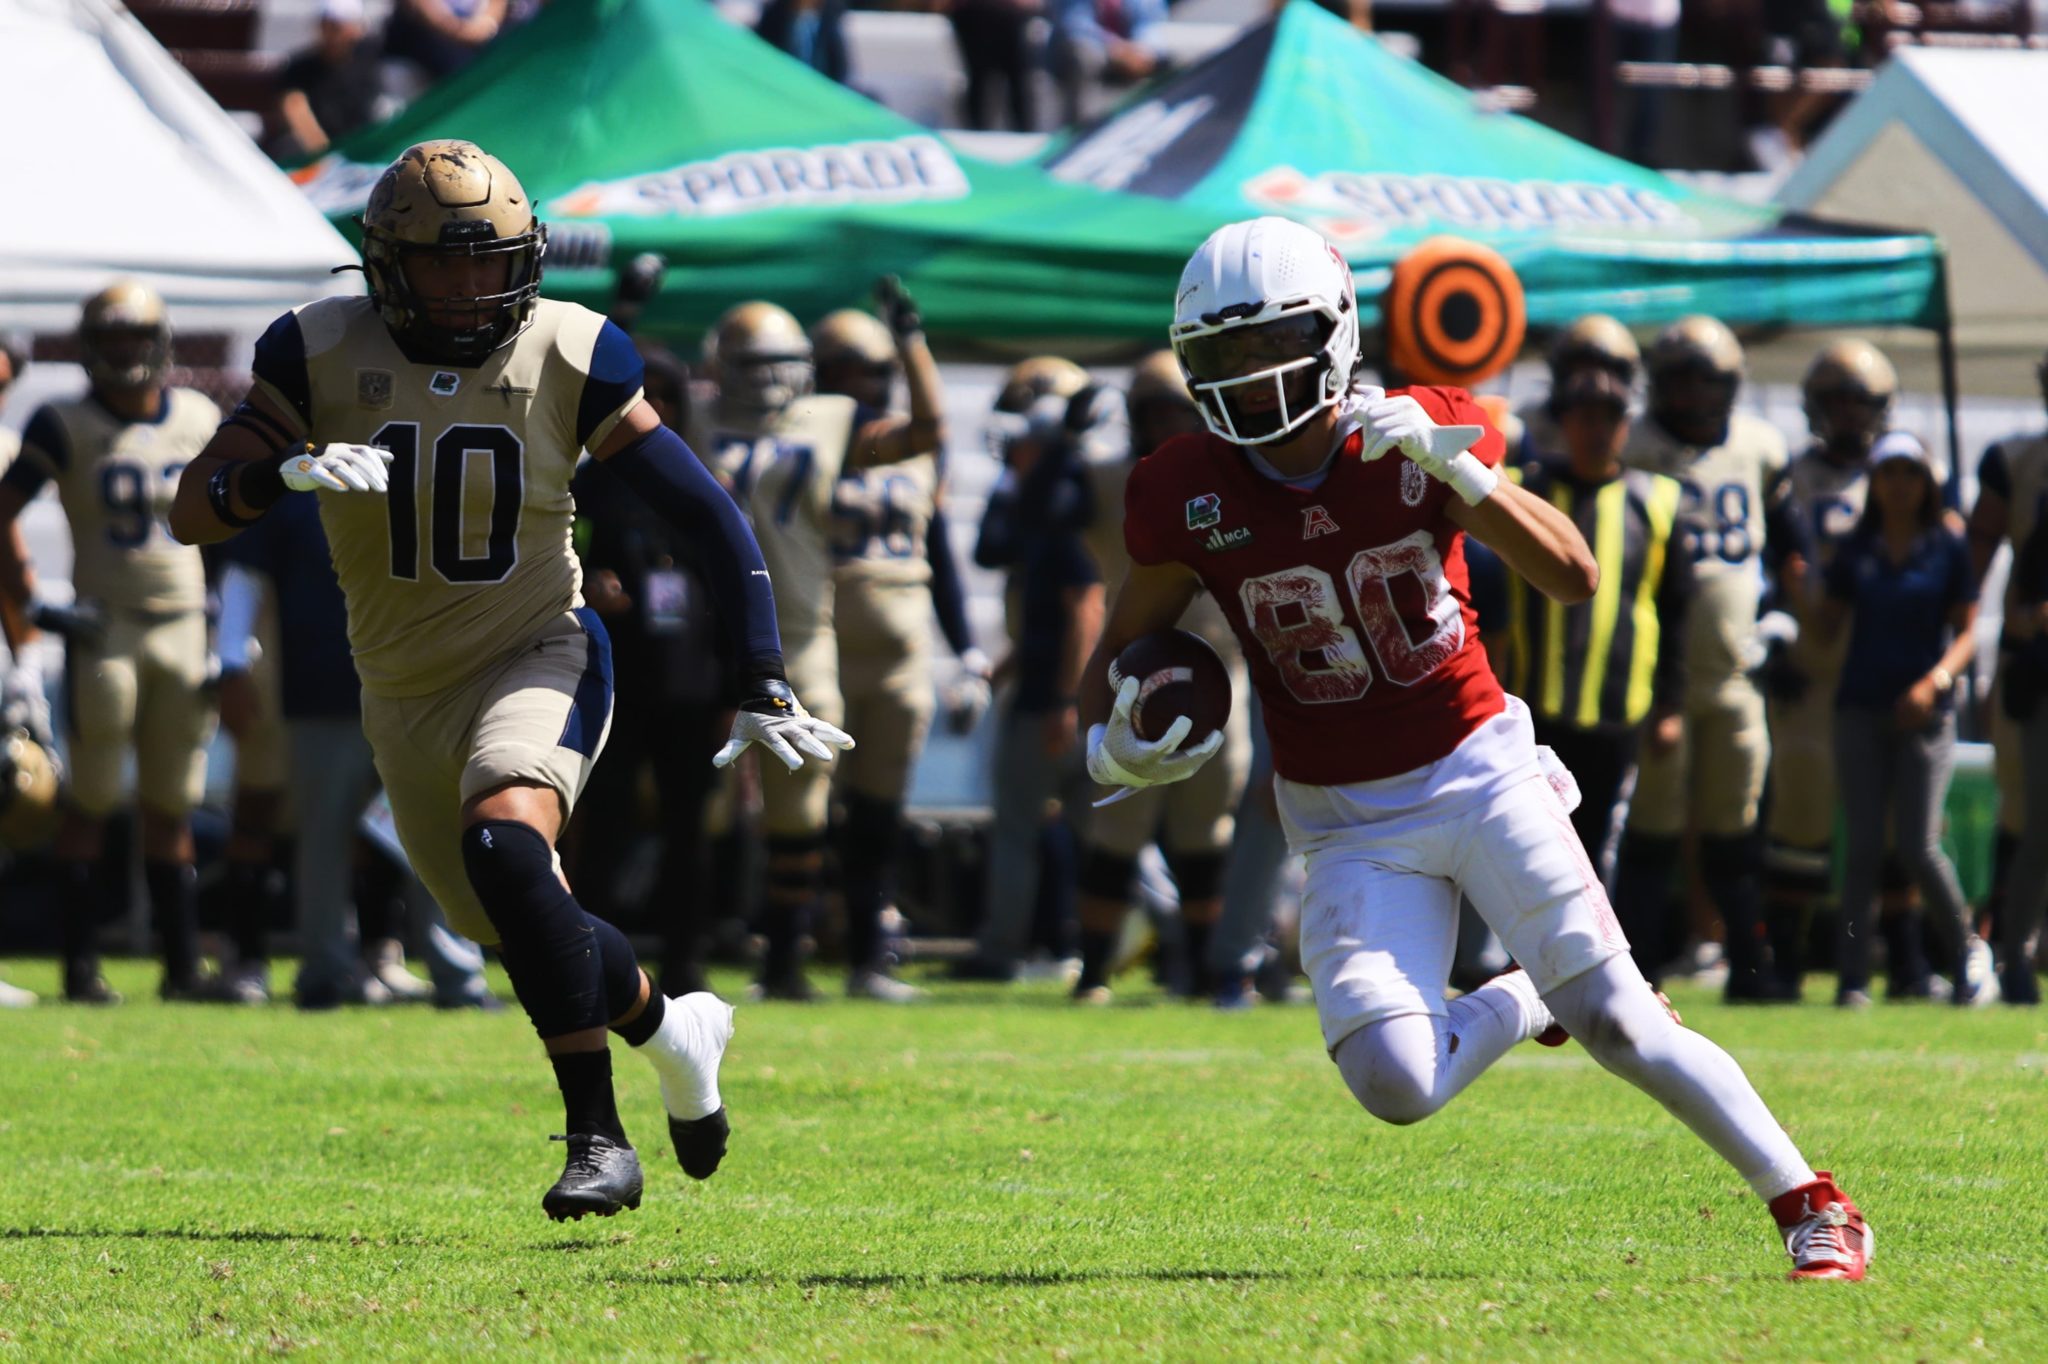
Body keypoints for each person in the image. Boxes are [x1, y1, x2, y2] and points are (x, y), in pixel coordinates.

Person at [1082, 215, 1869, 1281]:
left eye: (1274, 345)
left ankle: (1809, 1202)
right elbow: (1129, 642)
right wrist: (1112, 734)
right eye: (1226, 356)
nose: (1257, 379)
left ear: (1335, 332)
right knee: (1395, 1081)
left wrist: (1468, 481)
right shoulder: (1187, 486)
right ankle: (1519, 996)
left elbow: (1574, 575)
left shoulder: (1420, 430)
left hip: (1476, 766)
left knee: (1621, 1020)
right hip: (1344, 818)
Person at [169, 140, 851, 1220]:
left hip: (540, 646)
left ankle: (597, 1136)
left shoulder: (573, 350)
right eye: (442, 265)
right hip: (397, 686)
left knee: (506, 844)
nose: (469, 286)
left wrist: (761, 670)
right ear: (386, 263)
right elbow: (191, 507)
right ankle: (675, 1029)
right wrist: (275, 473)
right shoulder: (315, 352)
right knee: (522, 918)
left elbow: (708, 514)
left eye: (488, 260)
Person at [692, 300, 933, 1000]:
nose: (768, 381)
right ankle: (691, 953)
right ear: (720, 368)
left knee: (801, 811)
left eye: (780, 365)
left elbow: (925, 432)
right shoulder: (694, 416)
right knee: (692, 809)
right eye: (752, 365)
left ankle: (784, 963)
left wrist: (913, 345)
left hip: (800, 640)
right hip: (706, 645)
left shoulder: (827, 418)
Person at [0, 281, 223, 1005]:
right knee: (90, 797)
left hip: (186, 621)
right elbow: (1, 507)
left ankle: (182, 964)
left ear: (159, 341)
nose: (126, 350)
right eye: (113, 337)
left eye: (137, 336)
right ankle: (79, 964)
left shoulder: (197, 414)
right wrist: (35, 603)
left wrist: (231, 617)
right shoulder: (63, 420)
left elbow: (227, 516)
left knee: (173, 799)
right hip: (107, 626)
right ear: (92, 346)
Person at [217, 489, 490, 1010]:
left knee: (433, 832)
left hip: (416, 687)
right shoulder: (294, 479)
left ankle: (458, 975)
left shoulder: (421, 457)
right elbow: (245, 575)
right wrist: (230, 663)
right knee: (323, 839)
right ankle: (324, 971)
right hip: (325, 688)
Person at [1614, 316, 1798, 999]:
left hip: (1734, 676)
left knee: (1736, 832)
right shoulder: (1633, 447)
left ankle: (1751, 971)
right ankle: (1640, 967)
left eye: (1707, 381)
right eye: (1681, 381)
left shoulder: (1758, 448)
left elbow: (1789, 548)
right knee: (1651, 831)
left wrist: (1783, 626)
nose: (1693, 396)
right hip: (1658, 679)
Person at [1071, 352, 1255, 1003]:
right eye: (1153, 412)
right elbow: (1039, 521)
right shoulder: (1109, 477)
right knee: (1117, 829)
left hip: (1218, 677)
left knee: (1206, 834)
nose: (1164, 425)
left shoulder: (1233, 471)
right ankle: (1094, 968)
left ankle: (1204, 969)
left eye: (1176, 411)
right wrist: (1064, 437)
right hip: (1134, 676)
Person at [816, 292, 982, 1001]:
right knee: (805, 813)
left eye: (874, 370)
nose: (864, 384)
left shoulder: (909, 452)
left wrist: (968, 651)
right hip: (821, 646)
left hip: (898, 655)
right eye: (848, 371)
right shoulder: (805, 441)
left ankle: (865, 955)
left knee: (879, 815)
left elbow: (940, 554)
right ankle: (787, 950)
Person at [1494, 367, 1692, 926]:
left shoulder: (1657, 500)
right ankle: (1527, 964)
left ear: (1625, 426)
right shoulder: (1529, 489)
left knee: (1600, 844)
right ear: (1564, 424)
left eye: (1609, 418)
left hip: (1617, 706)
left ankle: (1597, 964)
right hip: (1538, 707)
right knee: (1533, 844)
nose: (1597, 430)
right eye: (1584, 417)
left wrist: (1670, 705)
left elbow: (1676, 610)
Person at [566, 348, 730, 997]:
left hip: (692, 683)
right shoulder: (593, 482)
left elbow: (732, 586)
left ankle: (687, 960)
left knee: (690, 830)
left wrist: (737, 688)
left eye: (667, 395)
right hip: (617, 681)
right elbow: (559, 557)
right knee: (604, 824)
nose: (655, 408)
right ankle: (601, 959)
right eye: (644, 393)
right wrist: (587, 585)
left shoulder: (700, 482)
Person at [1816, 432, 1994, 1007]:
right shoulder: (1856, 547)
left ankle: (1967, 955)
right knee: (1863, 846)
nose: (1898, 485)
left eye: (1908, 473)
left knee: (1919, 847)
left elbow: (1967, 632)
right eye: (1888, 472)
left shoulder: (1947, 546)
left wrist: (1935, 682)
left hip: (1926, 714)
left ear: (1926, 482)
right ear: (1875, 481)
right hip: (1860, 708)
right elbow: (1824, 627)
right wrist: (1802, 583)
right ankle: (1851, 978)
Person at [1763, 340, 1902, 994]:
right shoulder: (1789, 479)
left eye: (1860, 402)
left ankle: (1905, 960)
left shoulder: (1905, 476)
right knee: (1801, 816)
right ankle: (1787, 959)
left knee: (1898, 823)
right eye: (1837, 402)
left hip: (1885, 669)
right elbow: (1761, 572)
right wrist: (1775, 638)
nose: (1849, 416)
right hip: (1815, 667)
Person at [1964, 346, 2048, 971]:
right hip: (2036, 671)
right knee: (2028, 814)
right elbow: (1995, 586)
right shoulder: (2022, 464)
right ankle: (2009, 949)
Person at [269, 0, 386, 163]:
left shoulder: (372, 60)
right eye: (328, 25)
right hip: (317, 155)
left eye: (339, 26)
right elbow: (294, 108)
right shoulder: (298, 69)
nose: (333, 33)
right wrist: (326, 156)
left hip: (362, 150)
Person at [1048, 0, 1168, 126]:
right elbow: (1074, 25)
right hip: (1096, 47)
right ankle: (1089, 127)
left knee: (1166, 54)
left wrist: (1142, 50)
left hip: (1134, 48)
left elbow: (1148, 21)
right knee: (1084, 54)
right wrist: (1116, 48)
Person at [947, 0, 1042, 132]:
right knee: (979, 78)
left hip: (1008, 12)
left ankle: (1023, 132)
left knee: (1017, 79)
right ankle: (975, 131)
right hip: (973, 12)